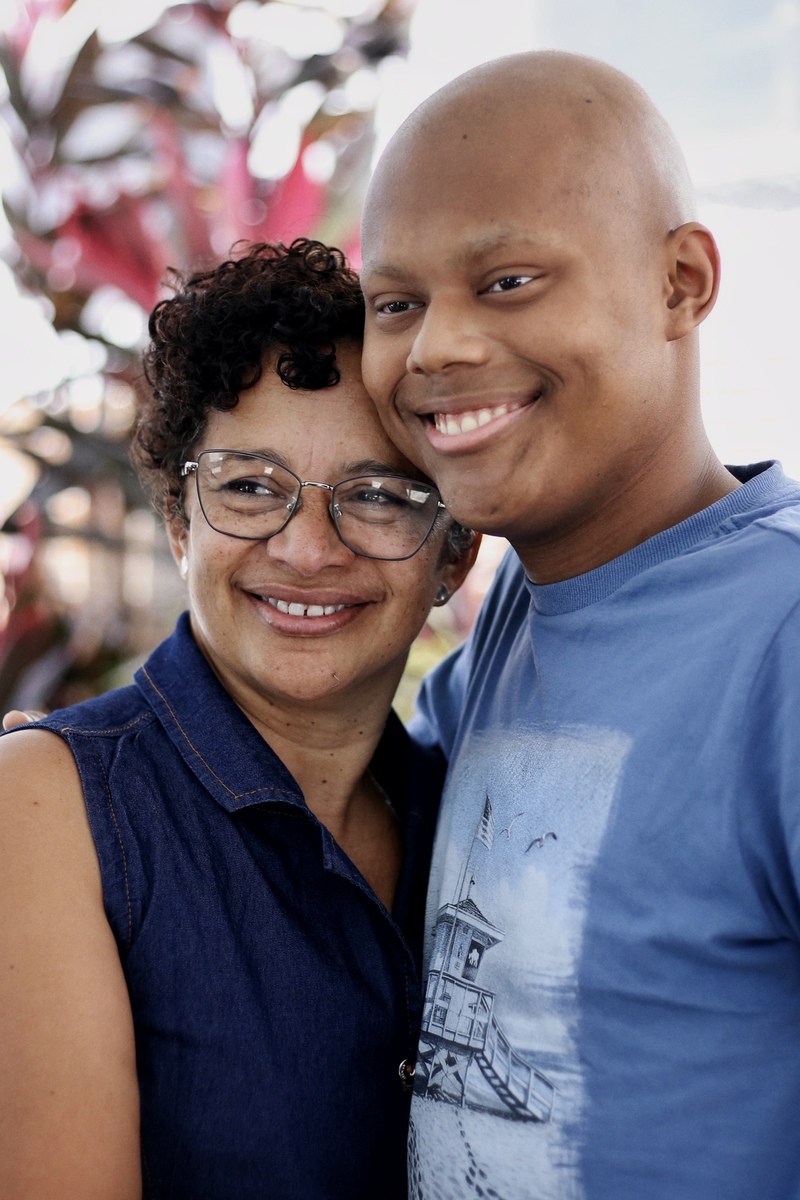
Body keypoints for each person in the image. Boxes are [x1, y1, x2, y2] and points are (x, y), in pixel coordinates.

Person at [359, 51, 800, 1200]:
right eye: (394, 303)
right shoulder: (519, 601)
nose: (435, 347)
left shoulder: (781, 630)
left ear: (680, 282)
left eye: (505, 281)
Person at [0, 239, 477, 1200]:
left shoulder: (471, 811)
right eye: (249, 486)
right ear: (181, 521)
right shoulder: (47, 810)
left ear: (453, 556)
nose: (305, 550)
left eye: (378, 496)